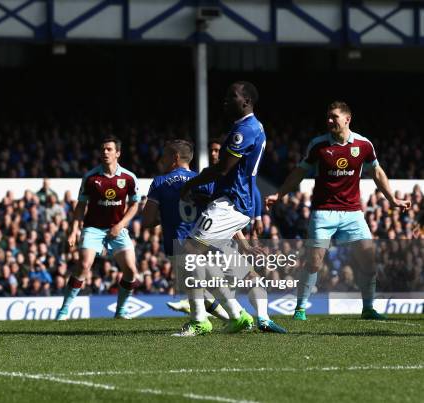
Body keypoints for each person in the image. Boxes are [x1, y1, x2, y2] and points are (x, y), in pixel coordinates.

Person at [266, 101, 410, 320]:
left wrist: (392, 199)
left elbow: (377, 173)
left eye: (334, 116)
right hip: (323, 212)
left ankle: (368, 308)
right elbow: (299, 172)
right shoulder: (318, 145)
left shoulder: (363, 145)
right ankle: (300, 308)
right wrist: (279, 194)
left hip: (353, 212)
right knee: (314, 261)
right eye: (328, 117)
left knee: (369, 258)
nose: (330, 120)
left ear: (347, 119)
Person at [151, 140, 285, 334]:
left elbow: (225, 213)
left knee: (244, 276)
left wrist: (247, 240)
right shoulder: (204, 179)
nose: (214, 154)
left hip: (215, 241)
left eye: (218, 151)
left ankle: (258, 317)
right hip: (204, 240)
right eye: (212, 150)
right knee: (205, 283)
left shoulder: (219, 179)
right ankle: (238, 317)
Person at [177, 81, 266, 335]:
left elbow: (222, 168)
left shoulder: (246, 130)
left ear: (246, 101)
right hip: (233, 203)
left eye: (232, 96)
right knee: (201, 257)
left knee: (190, 252)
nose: (226, 100)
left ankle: (200, 320)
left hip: (231, 202)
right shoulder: (247, 127)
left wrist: (193, 182)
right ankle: (236, 314)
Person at [56, 136, 140, 320]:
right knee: (84, 266)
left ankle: (121, 311)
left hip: (118, 229)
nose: (105, 152)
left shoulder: (128, 178)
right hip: (93, 228)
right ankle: (63, 310)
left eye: (109, 149)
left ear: (118, 153)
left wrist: (120, 225)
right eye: (102, 149)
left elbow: (135, 204)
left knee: (131, 271)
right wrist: (73, 230)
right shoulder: (90, 178)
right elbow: (80, 206)